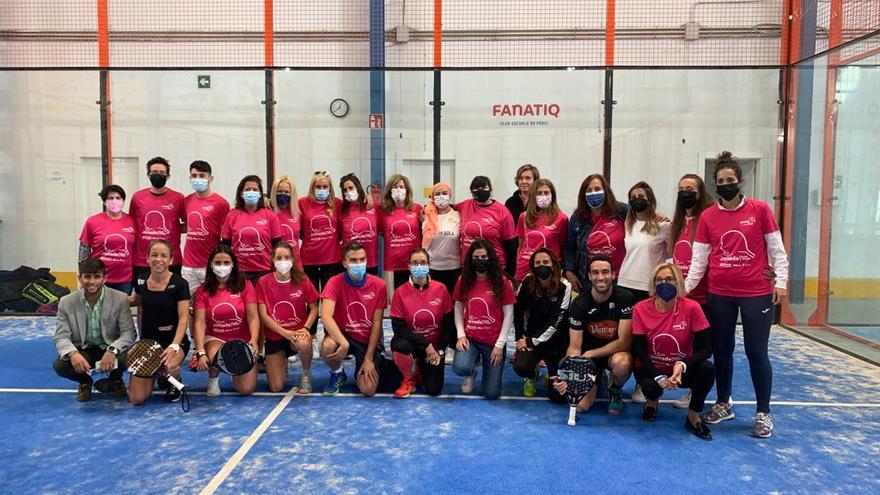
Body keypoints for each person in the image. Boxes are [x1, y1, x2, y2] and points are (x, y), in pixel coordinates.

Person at [685, 151, 789, 439]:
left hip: (756, 294)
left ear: (740, 181)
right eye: (720, 180)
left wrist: (781, 282)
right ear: (715, 184)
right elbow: (699, 260)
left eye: (730, 179)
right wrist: (685, 289)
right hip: (720, 295)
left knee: (756, 352)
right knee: (722, 350)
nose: (726, 184)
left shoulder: (760, 210)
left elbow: (777, 250)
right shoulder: (707, 217)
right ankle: (723, 403)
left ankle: (763, 413)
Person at [632, 263, 715, 441]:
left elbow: (706, 349)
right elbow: (639, 349)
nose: (664, 283)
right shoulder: (640, 308)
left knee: (707, 369)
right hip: (653, 367)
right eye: (659, 280)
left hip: (681, 369)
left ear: (678, 282)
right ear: (653, 284)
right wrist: (658, 377)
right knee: (649, 385)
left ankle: (693, 417)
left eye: (669, 279)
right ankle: (651, 401)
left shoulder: (692, 307)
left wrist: (683, 364)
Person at [554, 255, 634, 415]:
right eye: (595, 273)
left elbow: (624, 342)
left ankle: (615, 389)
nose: (601, 277)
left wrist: (591, 353)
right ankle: (598, 378)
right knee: (582, 407)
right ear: (589, 276)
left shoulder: (625, 298)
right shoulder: (579, 304)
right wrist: (569, 375)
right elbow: (574, 347)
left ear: (613, 274)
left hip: (612, 354)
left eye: (605, 272)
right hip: (587, 359)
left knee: (624, 363)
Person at [52, 258, 135, 402]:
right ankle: (85, 382)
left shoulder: (120, 299)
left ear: (104, 278)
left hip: (111, 348)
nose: (92, 281)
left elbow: (129, 333)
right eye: (87, 276)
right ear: (80, 278)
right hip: (84, 350)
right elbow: (61, 336)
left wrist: (112, 350)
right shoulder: (66, 302)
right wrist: (73, 354)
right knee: (60, 366)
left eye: (97, 276)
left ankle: (116, 378)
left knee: (132, 355)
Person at [667, 173, 715, 409]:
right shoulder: (677, 224)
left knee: (703, 349)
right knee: (687, 346)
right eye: (681, 188)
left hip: (701, 297)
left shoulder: (706, 219)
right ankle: (688, 386)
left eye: (690, 188)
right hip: (681, 296)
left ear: (700, 192)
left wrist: (684, 290)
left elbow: (701, 263)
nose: (684, 192)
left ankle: (699, 393)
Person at [320, 242, 389, 397]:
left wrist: (368, 358)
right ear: (345, 263)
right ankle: (338, 373)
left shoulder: (379, 285)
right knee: (327, 345)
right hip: (344, 335)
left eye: (362, 259)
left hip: (367, 340)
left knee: (368, 389)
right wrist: (343, 342)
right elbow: (325, 316)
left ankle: (376, 362)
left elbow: (377, 324)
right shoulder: (334, 282)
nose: (359, 264)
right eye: (353, 260)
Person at [192, 245, 259, 397]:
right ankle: (213, 377)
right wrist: (200, 351)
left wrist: (254, 340)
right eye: (218, 262)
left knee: (246, 389)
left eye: (226, 262)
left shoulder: (245, 285)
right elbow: (199, 322)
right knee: (217, 352)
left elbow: (253, 317)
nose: (222, 266)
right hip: (215, 339)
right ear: (211, 265)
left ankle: (236, 373)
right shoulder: (202, 290)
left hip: (242, 340)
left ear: (233, 264)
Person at [452, 240, 516, 400]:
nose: (480, 260)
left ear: (491, 258)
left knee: (491, 393)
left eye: (484, 257)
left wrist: (500, 345)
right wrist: (461, 335)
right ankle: (470, 372)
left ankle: (488, 372)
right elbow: (458, 307)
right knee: (460, 367)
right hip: (471, 338)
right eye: (476, 257)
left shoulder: (502, 282)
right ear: (470, 259)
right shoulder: (463, 280)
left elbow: (509, 314)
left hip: (493, 342)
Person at [129, 240, 191, 405]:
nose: (158, 259)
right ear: (147, 258)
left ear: (170, 260)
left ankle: (175, 383)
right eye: (154, 255)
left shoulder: (180, 284)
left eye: (164, 256)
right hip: (149, 343)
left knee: (170, 365)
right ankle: (160, 373)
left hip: (174, 342)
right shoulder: (141, 280)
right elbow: (137, 302)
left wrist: (175, 345)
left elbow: (184, 318)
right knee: (136, 398)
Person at [390, 248, 454, 398]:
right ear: (408, 266)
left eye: (423, 262)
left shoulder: (441, 289)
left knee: (434, 390)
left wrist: (440, 351)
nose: (419, 266)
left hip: (435, 348)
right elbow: (398, 329)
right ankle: (408, 379)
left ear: (429, 264)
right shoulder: (400, 292)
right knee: (399, 345)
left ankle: (420, 367)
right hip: (413, 344)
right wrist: (426, 344)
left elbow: (448, 324)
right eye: (415, 263)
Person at [256, 242, 319, 394]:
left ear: (293, 259)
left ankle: (305, 375)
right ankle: (281, 361)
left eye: (286, 257)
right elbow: (263, 315)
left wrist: (305, 328)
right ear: (272, 259)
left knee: (304, 343)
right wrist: (285, 333)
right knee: (276, 388)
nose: (283, 261)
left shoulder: (303, 280)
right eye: (279, 257)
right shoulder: (263, 282)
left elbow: (314, 308)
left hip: (297, 334)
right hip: (275, 338)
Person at [512, 248, 570, 402]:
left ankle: (551, 374)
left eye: (545, 262)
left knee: (558, 397)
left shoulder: (565, 286)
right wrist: (519, 337)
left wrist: (531, 341)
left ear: (553, 265)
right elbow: (517, 311)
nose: (541, 266)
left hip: (557, 343)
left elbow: (556, 322)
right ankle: (532, 375)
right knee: (521, 366)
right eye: (537, 263)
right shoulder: (527, 281)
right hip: (532, 338)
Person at [563, 174, 628, 292]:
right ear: (583, 194)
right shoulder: (578, 218)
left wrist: (659, 218)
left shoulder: (621, 211)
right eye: (588, 190)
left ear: (606, 191)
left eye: (597, 189)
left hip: (621, 278)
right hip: (590, 280)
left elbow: (643, 219)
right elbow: (569, 247)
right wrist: (569, 272)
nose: (593, 193)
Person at [299, 171, 344, 333]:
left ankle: (329, 334)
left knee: (329, 301)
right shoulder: (302, 203)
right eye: (318, 186)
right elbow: (300, 230)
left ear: (330, 188)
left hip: (332, 261)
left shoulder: (337, 204)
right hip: (308, 260)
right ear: (312, 187)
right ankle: (309, 335)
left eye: (325, 186)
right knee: (310, 302)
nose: (321, 189)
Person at [129, 156, 185, 283]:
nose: (158, 175)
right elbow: (132, 223)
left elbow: (187, 224)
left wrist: (173, 230)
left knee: (170, 297)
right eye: (154, 172)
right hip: (142, 260)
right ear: (148, 174)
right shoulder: (137, 197)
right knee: (142, 298)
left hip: (171, 260)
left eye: (161, 173)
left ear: (168, 175)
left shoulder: (178, 198)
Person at [221, 175, 282, 285]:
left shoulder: (270, 216)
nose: (251, 192)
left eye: (255, 190)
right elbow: (225, 246)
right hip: (239, 272)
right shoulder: (232, 215)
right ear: (241, 193)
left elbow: (277, 246)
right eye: (247, 189)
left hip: (264, 271)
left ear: (260, 194)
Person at [182, 160, 230, 296]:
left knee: (211, 302)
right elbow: (185, 226)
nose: (198, 179)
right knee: (190, 304)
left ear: (210, 178)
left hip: (210, 264)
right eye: (194, 175)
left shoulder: (221, 203)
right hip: (188, 265)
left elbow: (226, 235)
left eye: (202, 175)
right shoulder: (186, 201)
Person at [618, 181, 670, 302]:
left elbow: (674, 253)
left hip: (649, 285)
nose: (637, 199)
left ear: (650, 200)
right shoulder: (627, 224)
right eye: (633, 197)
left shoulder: (662, 225)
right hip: (625, 282)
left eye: (641, 196)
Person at [79, 185, 136, 294]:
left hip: (125, 279)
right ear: (104, 201)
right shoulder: (93, 222)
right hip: (98, 278)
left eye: (118, 198)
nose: (115, 201)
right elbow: (83, 251)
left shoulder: (132, 221)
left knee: (120, 309)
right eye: (110, 198)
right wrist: (83, 276)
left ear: (123, 200)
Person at [457, 176, 517, 277]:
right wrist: (428, 210)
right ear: (471, 191)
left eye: (484, 187)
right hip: (470, 267)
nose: (480, 191)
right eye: (476, 188)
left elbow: (511, 245)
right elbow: (447, 208)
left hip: (495, 267)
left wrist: (510, 273)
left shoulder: (502, 211)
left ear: (490, 189)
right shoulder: (465, 205)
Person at [514, 178, 568, 283]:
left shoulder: (562, 218)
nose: (543, 196)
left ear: (552, 195)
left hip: (549, 272)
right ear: (533, 196)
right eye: (539, 193)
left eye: (546, 192)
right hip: (524, 270)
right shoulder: (523, 217)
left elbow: (563, 247)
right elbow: (520, 247)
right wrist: (517, 268)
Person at [379, 174, 422, 288]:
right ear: (389, 190)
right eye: (395, 186)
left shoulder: (417, 209)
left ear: (407, 190)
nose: (398, 190)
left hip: (414, 264)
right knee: (394, 302)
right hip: (392, 266)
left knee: (415, 300)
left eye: (402, 187)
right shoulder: (383, 211)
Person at [422, 181, 461, 295]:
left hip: (454, 269)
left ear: (450, 195)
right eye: (437, 194)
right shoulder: (426, 216)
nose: (441, 196)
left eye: (444, 193)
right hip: (432, 269)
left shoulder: (458, 216)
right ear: (432, 197)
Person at [338, 173, 380, 275]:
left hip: (370, 262)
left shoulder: (374, 206)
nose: (348, 192)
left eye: (351, 188)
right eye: (345, 190)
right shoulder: (340, 209)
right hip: (349, 262)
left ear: (358, 187)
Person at [268, 175, 302, 268]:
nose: (283, 194)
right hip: (275, 262)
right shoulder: (268, 211)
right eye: (279, 191)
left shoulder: (297, 212)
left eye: (287, 192)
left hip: (295, 262)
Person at [504, 164, 540, 228]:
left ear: (535, 181)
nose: (524, 181)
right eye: (521, 178)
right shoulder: (510, 202)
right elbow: (506, 227)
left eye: (528, 178)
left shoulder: (541, 201)